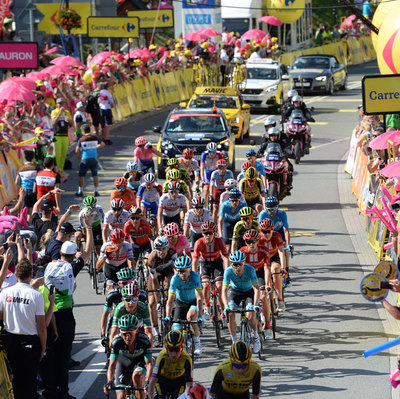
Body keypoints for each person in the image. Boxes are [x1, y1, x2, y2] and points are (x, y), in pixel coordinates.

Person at [44, 216, 93, 399]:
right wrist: (88, 227)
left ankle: (50, 391)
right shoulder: (71, 267)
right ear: (73, 256)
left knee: (51, 356)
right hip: (64, 316)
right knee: (63, 357)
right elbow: (88, 251)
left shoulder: (49, 266)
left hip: (49, 314)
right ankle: (63, 392)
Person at [0, 259, 46, 399]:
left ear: (16, 275)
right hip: (30, 342)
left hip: (11, 340)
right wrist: (43, 348)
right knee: (29, 381)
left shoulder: (5, 293)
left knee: (15, 379)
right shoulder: (36, 295)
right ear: (31, 275)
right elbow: (42, 327)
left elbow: (1, 318)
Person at [105, 314, 152, 399]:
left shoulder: (144, 341)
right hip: (123, 361)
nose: (127, 337)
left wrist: (147, 381)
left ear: (137, 330)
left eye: (131, 333)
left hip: (139, 360)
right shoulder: (116, 342)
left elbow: (149, 364)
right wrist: (109, 381)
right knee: (120, 396)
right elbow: (111, 365)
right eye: (124, 333)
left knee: (137, 378)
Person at [164, 256, 204, 355]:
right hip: (180, 303)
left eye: (185, 271)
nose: (182, 274)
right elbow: (170, 300)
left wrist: (199, 316)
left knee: (191, 317)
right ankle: (185, 344)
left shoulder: (195, 277)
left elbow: (199, 298)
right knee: (177, 331)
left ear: (189, 269)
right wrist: (168, 316)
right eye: (180, 271)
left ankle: (197, 341)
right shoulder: (175, 279)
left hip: (193, 301)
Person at [222, 251, 261, 353]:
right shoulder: (228, 271)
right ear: (232, 265)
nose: (238, 267)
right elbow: (224, 290)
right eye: (235, 265)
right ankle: (234, 341)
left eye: (241, 264)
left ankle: (256, 337)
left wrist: (255, 306)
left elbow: (257, 289)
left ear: (244, 263)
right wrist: (226, 306)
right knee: (230, 314)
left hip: (249, 292)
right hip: (236, 292)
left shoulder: (250, 270)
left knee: (250, 316)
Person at [192, 221, 228, 323]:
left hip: (217, 263)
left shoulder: (220, 241)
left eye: (210, 233)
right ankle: (207, 305)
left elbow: (225, 258)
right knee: (206, 285)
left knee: (220, 287)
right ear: (202, 234)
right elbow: (195, 261)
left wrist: (227, 272)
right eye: (205, 233)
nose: (207, 235)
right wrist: (195, 276)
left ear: (214, 233)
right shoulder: (199, 243)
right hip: (205, 264)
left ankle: (224, 312)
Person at [239, 229, 272, 337]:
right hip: (247, 276)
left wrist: (267, 284)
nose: (252, 244)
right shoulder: (242, 252)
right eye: (249, 242)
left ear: (258, 241)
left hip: (259, 273)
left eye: (254, 241)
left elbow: (267, 269)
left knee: (263, 296)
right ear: (245, 243)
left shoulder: (264, 251)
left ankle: (267, 325)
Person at [146, 236, 177, 345]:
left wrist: (174, 293)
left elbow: (176, 272)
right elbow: (154, 282)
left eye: (164, 248)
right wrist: (158, 301)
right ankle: (156, 331)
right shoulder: (151, 260)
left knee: (170, 282)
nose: (161, 251)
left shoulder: (172, 253)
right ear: (155, 249)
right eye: (158, 249)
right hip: (156, 274)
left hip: (168, 271)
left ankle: (171, 305)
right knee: (151, 303)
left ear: (168, 248)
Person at [100, 267, 136, 353]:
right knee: (110, 340)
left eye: (130, 282)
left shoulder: (138, 293)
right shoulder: (113, 294)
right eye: (124, 283)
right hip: (117, 317)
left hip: (134, 317)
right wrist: (103, 335)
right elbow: (105, 315)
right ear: (119, 283)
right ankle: (109, 360)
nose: (127, 285)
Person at [148, 331, 193, 399]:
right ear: (166, 349)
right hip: (162, 381)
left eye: (177, 349)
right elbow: (153, 380)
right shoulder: (162, 357)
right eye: (170, 349)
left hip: (179, 382)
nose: (174, 354)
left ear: (182, 348)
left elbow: (189, 383)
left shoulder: (187, 359)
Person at [259, 218, 287, 311]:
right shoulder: (258, 238)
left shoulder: (277, 236)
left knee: (275, 270)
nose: (267, 234)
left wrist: (284, 268)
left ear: (272, 230)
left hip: (274, 257)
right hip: (262, 260)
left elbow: (281, 252)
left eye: (269, 231)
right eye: (264, 231)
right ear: (260, 231)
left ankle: (280, 299)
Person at [258, 196, 291, 273]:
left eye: (274, 209)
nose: (272, 212)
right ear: (266, 208)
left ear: (277, 207)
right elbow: (260, 230)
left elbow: (286, 230)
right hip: (267, 231)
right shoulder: (262, 214)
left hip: (278, 230)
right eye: (270, 210)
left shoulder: (282, 213)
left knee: (285, 248)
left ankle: (286, 270)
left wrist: (288, 244)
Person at [75, 123, 105, 197]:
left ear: (83, 131)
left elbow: (77, 150)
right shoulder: (95, 137)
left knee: (82, 175)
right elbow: (103, 144)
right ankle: (96, 191)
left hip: (85, 158)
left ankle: (80, 191)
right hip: (94, 158)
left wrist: (80, 155)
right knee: (95, 174)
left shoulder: (81, 139)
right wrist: (95, 147)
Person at [51, 97, 73, 171]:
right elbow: (54, 122)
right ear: (57, 104)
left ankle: (62, 171)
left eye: (62, 103)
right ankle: (57, 172)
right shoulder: (54, 112)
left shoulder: (67, 112)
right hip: (57, 136)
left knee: (63, 155)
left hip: (65, 136)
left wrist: (69, 120)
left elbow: (71, 124)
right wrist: (60, 113)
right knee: (58, 155)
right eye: (59, 103)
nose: (61, 105)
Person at [200, 142, 225, 208]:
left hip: (216, 173)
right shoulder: (204, 154)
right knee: (206, 190)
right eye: (210, 152)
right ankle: (204, 208)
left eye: (213, 152)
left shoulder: (219, 154)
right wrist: (202, 179)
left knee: (217, 190)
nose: (212, 154)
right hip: (207, 173)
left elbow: (223, 167)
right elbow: (202, 167)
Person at [15, 149, 39, 214]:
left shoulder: (21, 169)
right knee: (32, 208)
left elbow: (17, 182)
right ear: (33, 158)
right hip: (33, 190)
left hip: (24, 190)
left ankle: (25, 222)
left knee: (24, 208)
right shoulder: (36, 167)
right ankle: (29, 221)